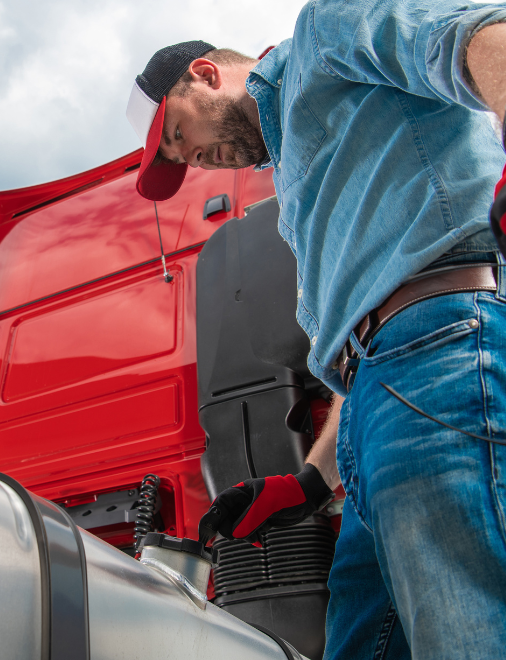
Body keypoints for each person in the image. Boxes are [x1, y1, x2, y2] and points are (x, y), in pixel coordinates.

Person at [125, 2, 506, 659]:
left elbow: (477, 35)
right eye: (182, 159)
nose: (194, 159)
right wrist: (306, 482)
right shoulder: (297, 177)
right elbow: (362, 338)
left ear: (207, 73)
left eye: (178, 134)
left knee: (464, 632)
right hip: (374, 402)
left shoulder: (323, 34)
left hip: (446, 342)